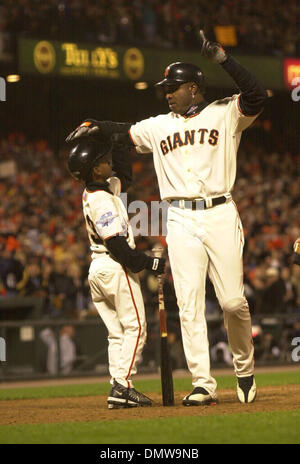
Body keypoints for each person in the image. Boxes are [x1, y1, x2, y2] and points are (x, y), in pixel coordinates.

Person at [66, 31, 267, 404]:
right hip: (179, 218)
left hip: (220, 211)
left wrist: (224, 60)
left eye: (173, 86)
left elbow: (257, 95)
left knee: (232, 303)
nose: (167, 92)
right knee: (188, 303)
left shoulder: (224, 113)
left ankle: (244, 367)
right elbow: (122, 133)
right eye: (166, 87)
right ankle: (203, 383)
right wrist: (94, 125)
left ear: (194, 87)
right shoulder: (159, 125)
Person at [66, 137, 165, 409]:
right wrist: (149, 263)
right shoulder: (103, 201)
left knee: (117, 334)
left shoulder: (98, 190)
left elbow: (123, 175)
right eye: (101, 161)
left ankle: (117, 387)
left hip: (98, 270)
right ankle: (122, 385)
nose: (106, 162)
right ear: (94, 170)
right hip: (114, 266)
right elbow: (118, 247)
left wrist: (118, 139)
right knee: (136, 327)